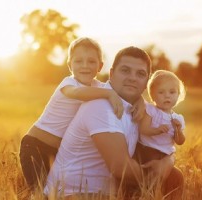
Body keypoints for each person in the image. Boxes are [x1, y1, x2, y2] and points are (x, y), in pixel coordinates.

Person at [44, 46, 152, 199]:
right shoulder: (100, 105)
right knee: (170, 178)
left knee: (174, 178)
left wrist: (169, 160)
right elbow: (121, 168)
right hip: (71, 195)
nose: (133, 78)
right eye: (125, 70)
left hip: (103, 194)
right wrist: (160, 172)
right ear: (112, 73)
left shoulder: (137, 109)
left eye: (140, 74)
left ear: (147, 81)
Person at [19, 37, 125, 191]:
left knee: (54, 191)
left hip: (58, 153)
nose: (85, 66)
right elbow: (78, 93)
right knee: (38, 192)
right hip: (35, 146)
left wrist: (140, 105)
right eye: (78, 61)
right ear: (70, 65)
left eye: (91, 61)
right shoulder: (69, 83)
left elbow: (120, 94)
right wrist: (108, 94)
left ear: (100, 66)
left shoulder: (97, 86)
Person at [135, 69, 186, 199]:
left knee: (177, 177)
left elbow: (180, 141)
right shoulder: (151, 110)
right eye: (161, 92)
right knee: (151, 179)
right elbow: (143, 129)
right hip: (147, 151)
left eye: (172, 92)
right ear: (153, 95)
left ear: (178, 94)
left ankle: (170, 196)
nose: (167, 96)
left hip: (165, 155)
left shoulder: (178, 118)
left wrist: (178, 131)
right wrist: (157, 130)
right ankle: (145, 195)